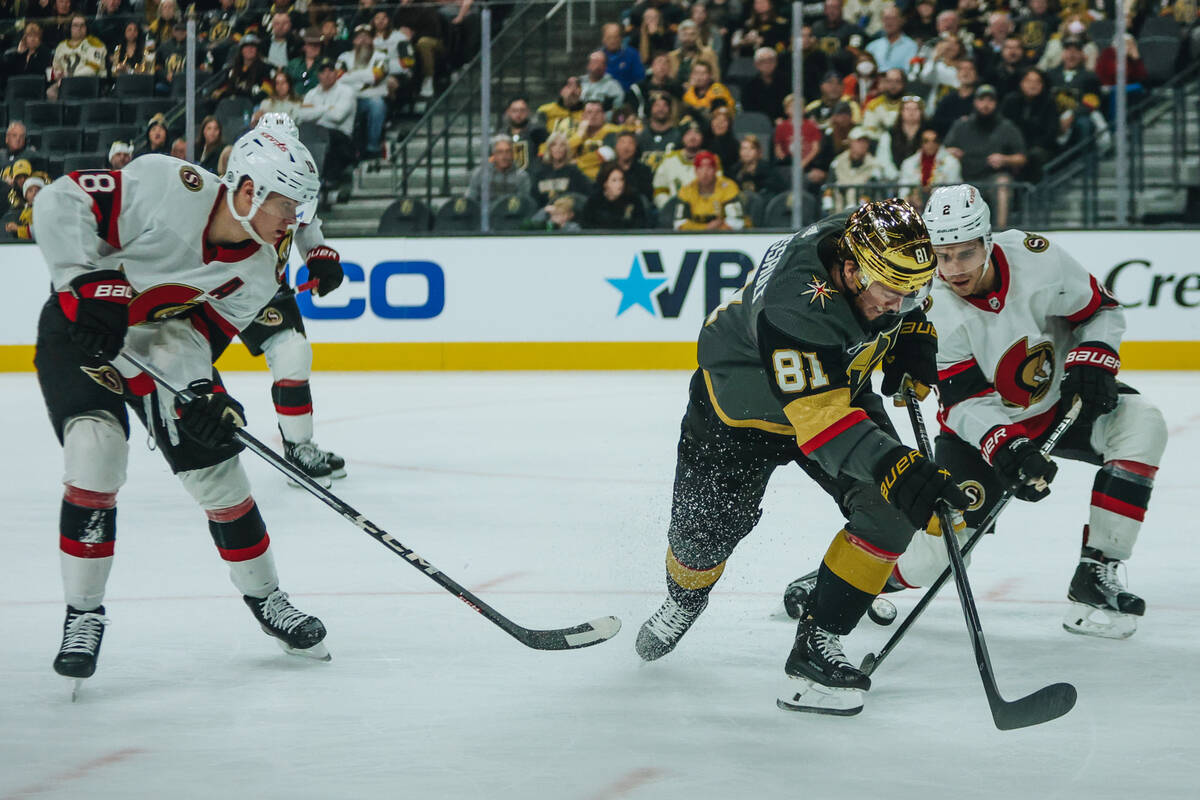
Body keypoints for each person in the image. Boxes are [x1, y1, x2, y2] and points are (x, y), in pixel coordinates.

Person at [634, 199, 968, 716]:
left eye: (911, 291)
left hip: (836, 384)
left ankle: (817, 643)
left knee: (891, 509)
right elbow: (824, 426)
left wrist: (913, 330)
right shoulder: (793, 308)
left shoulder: (867, 245)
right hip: (739, 412)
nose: (898, 302)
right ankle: (684, 598)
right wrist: (895, 467)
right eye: (890, 293)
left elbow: (908, 293)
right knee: (702, 539)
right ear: (852, 272)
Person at [31, 127, 331, 694]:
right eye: (285, 204)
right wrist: (82, 282)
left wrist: (203, 394)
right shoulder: (169, 183)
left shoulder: (261, 270)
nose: (293, 220)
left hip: (163, 343)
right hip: (80, 330)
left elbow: (200, 334)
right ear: (246, 190)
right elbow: (58, 199)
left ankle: (268, 599)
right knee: (97, 456)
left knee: (220, 472)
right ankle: (84, 614)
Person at [895, 184, 1166, 639]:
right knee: (939, 552)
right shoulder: (928, 305)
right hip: (977, 432)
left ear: (987, 240)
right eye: (941, 256)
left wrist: (1095, 351)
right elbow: (962, 400)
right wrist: (1008, 447)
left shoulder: (1037, 258)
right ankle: (857, 586)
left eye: (963, 254)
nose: (952, 269)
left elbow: (1100, 310)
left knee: (1142, 424)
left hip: (1062, 404)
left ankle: (1096, 571)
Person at [336, 24, 390, 160]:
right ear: (354, 41)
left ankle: (373, 147)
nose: (363, 40)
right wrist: (366, 75)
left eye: (367, 37)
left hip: (371, 98)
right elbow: (338, 78)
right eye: (359, 37)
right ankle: (347, 151)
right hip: (350, 98)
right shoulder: (344, 57)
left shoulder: (381, 56)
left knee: (377, 104)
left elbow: (375, 77)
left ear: (372, 40)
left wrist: (351, 75)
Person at [673, 150, 743, 231]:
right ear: (695, 171)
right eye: (700, 168)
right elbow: (679, 224)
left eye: (709, 168)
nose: (705, 173)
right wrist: (706, 228)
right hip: (694, 239)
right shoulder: (686, 190)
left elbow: (736, 223)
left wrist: (716, 231)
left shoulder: (728, 187)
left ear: (715, 170)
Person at [527, 131, 591, 207]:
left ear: (566, 149)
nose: (558, 148)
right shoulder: (540, 173)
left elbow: (586, 194)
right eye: (554, 145)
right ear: (549, 148)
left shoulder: (574, 172)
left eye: (562, 145)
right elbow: (534, 198)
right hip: (544, 212)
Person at [580, 162, 647, 230]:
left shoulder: (633, 200)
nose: (620, 184)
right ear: (605, 183)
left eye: (621, 179)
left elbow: (640, 225)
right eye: (614, 180)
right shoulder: (594, 202)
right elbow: (586, 226)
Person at [466, 136, 531, 204]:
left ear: (512, 154)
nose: (504, 156)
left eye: (508, 151)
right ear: (494, 154)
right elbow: (470, 200)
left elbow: (524, 204)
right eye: (500, 152)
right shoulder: (480, 174)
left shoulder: (522, 177)